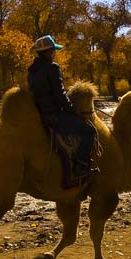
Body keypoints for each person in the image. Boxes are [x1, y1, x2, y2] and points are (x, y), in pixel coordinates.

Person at [27, 35, 98, 187]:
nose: (54, 54)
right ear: (47, 52)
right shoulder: (52, 67)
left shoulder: (32, 71)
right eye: (53, 51)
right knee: (88, 131)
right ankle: (80, 166)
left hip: (41, 115)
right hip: (55, 116)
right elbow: (60, 95)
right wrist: (73, 111)